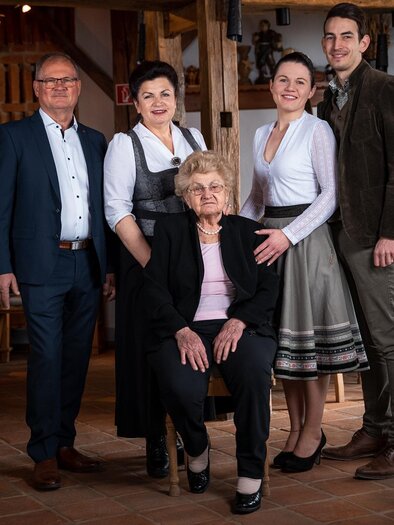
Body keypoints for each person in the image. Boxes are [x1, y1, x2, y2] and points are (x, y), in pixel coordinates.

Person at [240, 52, 368, 474]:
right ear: (272, 85)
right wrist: (229, 235)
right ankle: (294, 431)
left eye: (300, 81)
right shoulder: (261, 134)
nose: (290, 87)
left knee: (308, 350)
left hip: (307, 245)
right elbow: (258, 199)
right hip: (271, 244)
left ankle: (313, 432)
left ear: (311, 91)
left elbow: (330, 196)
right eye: (283, 79)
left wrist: (287, 235)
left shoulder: (318, 131)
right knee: (285, 350)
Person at [0, 52, 115, 491]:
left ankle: (66, 443)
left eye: (67, 80)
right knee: (46, 358)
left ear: (78, 87)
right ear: (36, 88)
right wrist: (2, 266)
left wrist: (109, 268)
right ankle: (44, 452)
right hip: (39, 265)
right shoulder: (13, 137)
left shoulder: (96, 140)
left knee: (74, 359)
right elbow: (1, 206)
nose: (60, 87)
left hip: (87, 262)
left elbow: (106, 209)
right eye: (50, 81)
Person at [143, 150, 279, 514]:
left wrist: (240, 321)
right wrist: (180, 330)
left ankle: (249, 473)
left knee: (252, 376)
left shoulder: (247, 232)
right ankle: (198, 448)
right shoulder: (171, 232)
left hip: (240, 326)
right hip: (186, 327)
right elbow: (153, 289)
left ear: (227, 193)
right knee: (178, 383)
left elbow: (268, 287)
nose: (207, 194)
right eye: (198, 188)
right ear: (186, 197)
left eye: (215, 186)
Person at [104, 60, 206, 478]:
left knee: (187, 346)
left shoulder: (192, 136)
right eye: (148, 95)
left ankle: (188, 431)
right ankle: (153, 439)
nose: (158, 102)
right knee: (150, 351)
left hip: (191, 259)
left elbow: (209, 190)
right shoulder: (124, 144)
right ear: (135, 101)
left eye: (165, 93)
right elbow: (116, 209)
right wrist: (152, 264)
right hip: (144, 262)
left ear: (176, 97)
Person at [318, 3, 394, 480]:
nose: (338, 44)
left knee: (390, 339)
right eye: (330, 37)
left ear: (364, 43)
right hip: (340, 235)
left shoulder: (385, 89)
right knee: (365, 341)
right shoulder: (328, 99)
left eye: (347, 36)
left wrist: (391, 231)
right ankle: (375, 428)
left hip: (376, 236)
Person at [253, 19, 283, 84]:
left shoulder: (271, 33)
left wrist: (278, 42)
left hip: (268, 49)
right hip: (261, 50)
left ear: (268, 26)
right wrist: (255, 39)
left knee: (271, 62)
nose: (263, 27)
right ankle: (262, 76)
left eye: (264, 25)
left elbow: (278, 37)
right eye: (261, 26)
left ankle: (274, 76)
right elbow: (254, 42)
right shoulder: (259, 34)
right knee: (261, 63)